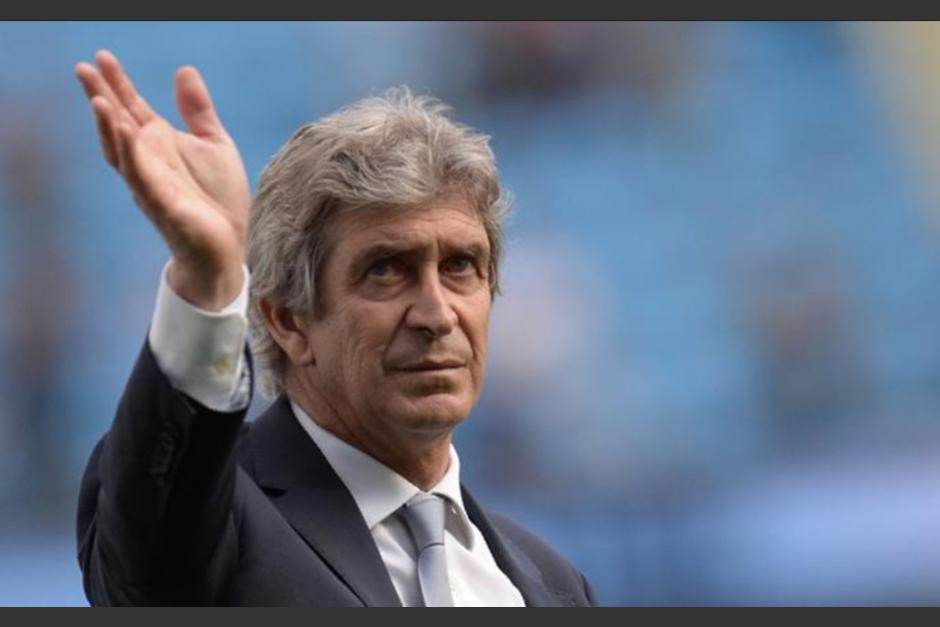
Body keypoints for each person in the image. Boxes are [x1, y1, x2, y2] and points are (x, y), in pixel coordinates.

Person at [73, 49, 597, 607]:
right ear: (287, 320)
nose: (438, 315)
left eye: (460, 266)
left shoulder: (555, 583)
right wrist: (210, 280)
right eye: (386, 270)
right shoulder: (216, 518)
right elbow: (145, 567)